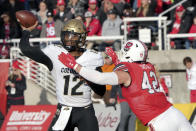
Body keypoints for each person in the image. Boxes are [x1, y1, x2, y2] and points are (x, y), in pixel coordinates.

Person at [58, 39, 195, 131]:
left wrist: (75, 65)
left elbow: (100, 78)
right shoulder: (148, 66)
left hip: (160, 122)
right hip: (175, 113)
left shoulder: (127, 71)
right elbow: (136, 74)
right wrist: (117, 62)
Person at [19, 19, 106, 131]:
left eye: (73, 36)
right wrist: (26, 31)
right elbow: (26, 49)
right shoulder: (55, 53)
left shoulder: (92, 57)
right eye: (66, 35)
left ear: (82, 37)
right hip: (64, 110)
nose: (68, 39)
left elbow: (101, 91)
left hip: (85, 111)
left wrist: (88, 78)